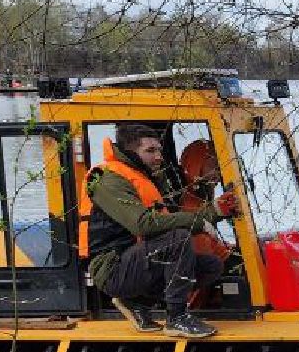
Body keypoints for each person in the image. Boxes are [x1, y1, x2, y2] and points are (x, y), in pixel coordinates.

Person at [86, 123, 237, 338]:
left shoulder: (145, 176)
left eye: (159, 150)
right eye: (150, 151)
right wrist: (196, 223)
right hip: (113, 267)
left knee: (210, 266)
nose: (158, 156)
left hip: (139, 259)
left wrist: (215, 212)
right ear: (130, 151)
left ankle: (137, 302)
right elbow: (142, 225)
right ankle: (177, 318)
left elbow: (167, 219)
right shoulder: (108, 179)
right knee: (179, 239)